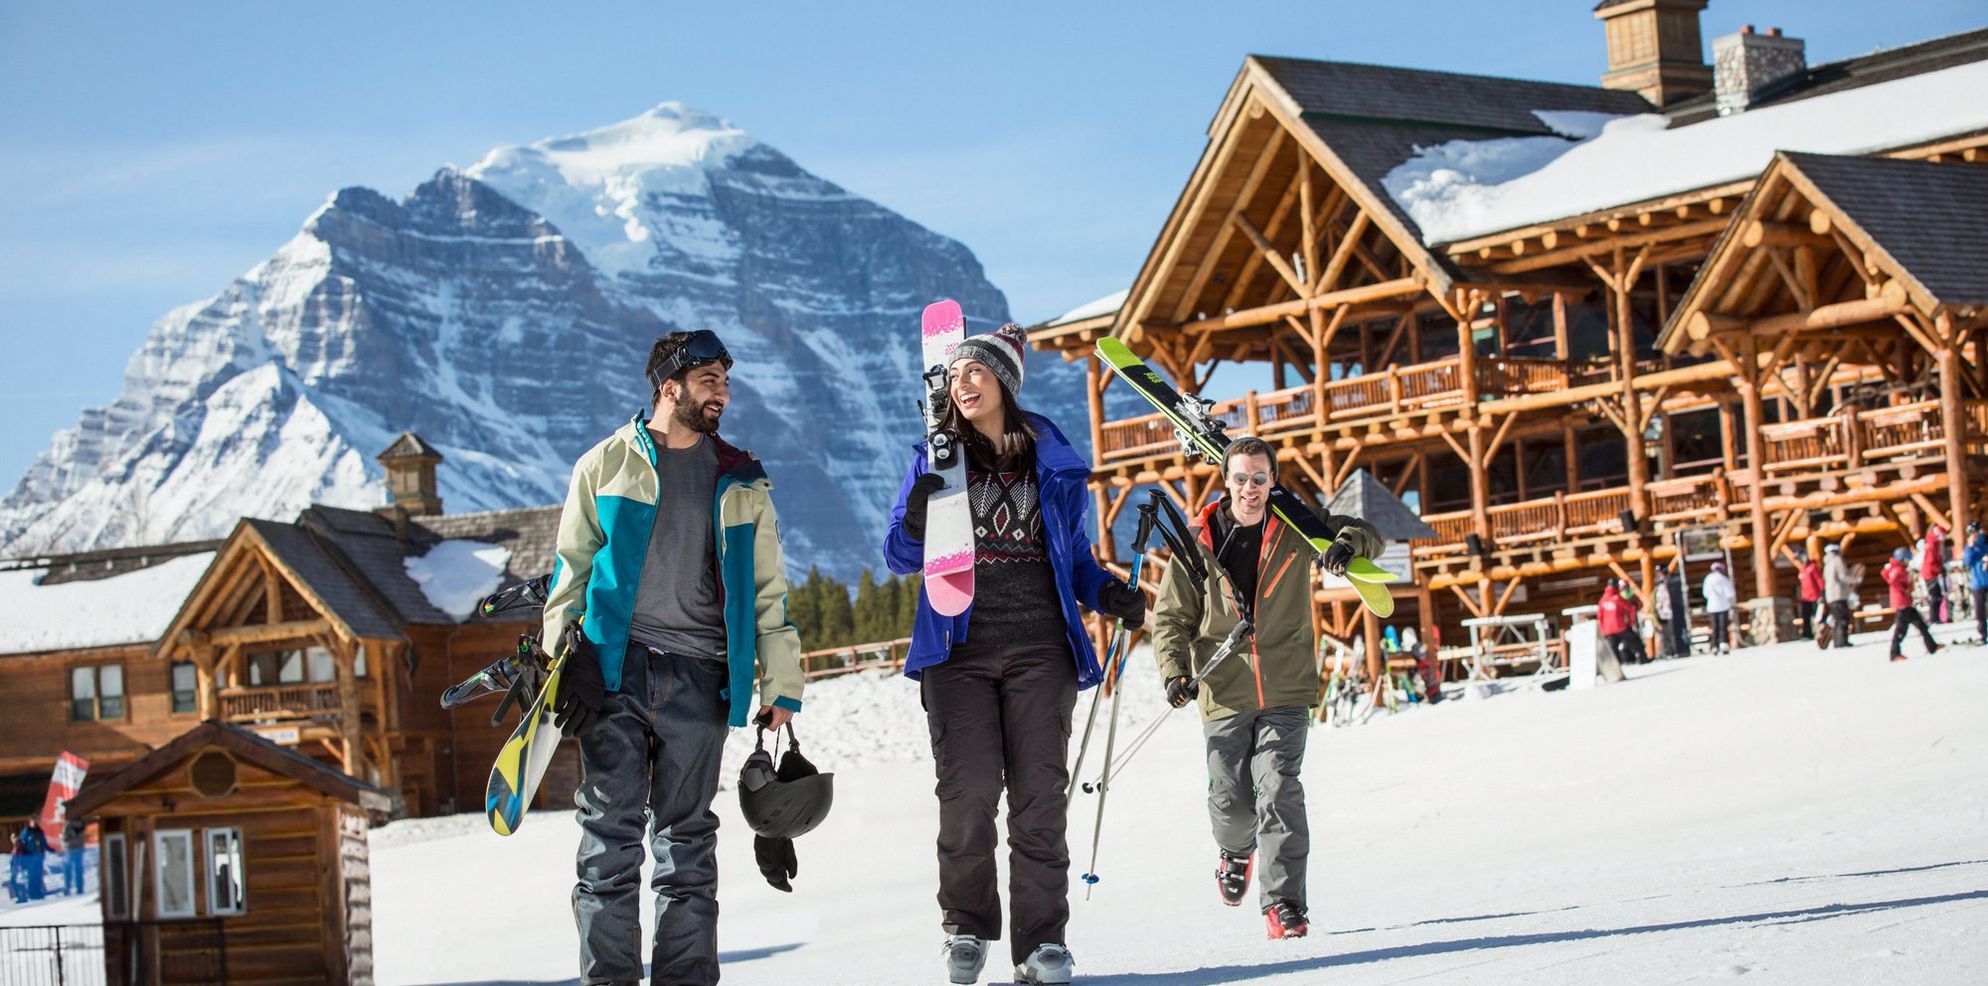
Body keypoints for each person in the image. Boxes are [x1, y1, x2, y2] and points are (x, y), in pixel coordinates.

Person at [540, 329, 807, 986]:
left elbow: (767, 589)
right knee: (609, 844)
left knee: (687, 846)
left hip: (702, 676)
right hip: (613, 672)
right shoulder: (603, 465)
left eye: (725, 380)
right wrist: (558, 661)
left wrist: (783, 682)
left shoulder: (741, 477)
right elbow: (569, 575)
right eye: (709, 380)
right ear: (669, 386)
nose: (722, 392)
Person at [883, 322, 1144, 986]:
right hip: (956, 649)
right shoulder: (936, 457)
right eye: (955, 374)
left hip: (1040, 649)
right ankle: (965, 931)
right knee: (968, 795)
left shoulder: (1050, 462)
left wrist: (1108, 596)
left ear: (1004, 382)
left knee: (1038, 800)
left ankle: (1041, 945)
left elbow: (1077, 559)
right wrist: (917, 510)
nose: (962, 383)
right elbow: (898, 555)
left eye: (976, 371)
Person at [1150, 435, 1385, 942]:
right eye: (1240, 478)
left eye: (1260, 478)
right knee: (1232, 804)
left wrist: (1345, 545)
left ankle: (1284, 905)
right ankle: (1236, 852)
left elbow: (1365, 532)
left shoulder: (1297, 527)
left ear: (1272, 480)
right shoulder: (1199, 541)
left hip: (1286, 686)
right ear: (1225, 480)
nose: (1250, 488)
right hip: (1223, 689)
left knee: (1278, 787)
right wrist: (1173, 672)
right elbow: (1171, 618)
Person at [1881, 548, 1941, 662]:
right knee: (1901, 630)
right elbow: (1892, 581)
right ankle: (1894, 654)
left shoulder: (1901, 569)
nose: (1908, 562)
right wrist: (1904, 590)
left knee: (1921, 625)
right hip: (1902, 604)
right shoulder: (1897, 569)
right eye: (1906, 559)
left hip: (1906, 603)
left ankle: (1932, 646)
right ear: (1902, 559)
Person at [1824, 543, 1858, 650]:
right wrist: (1855, 580)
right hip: (1839, 594)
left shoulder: (1827, 563)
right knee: (1843, 619)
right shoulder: (1837, 560)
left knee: (1837, 619)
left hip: (1830, 595)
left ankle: (1838, 641)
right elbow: (1843, 576)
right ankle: (1842, 641)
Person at [1703, 562, 1736, 654]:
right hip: (1723, 606)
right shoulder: (1724, 579)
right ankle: (1723, 643)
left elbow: (1705, 593)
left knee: (1715, 626)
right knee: (1723, 626)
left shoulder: (1708, 579)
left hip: (1712, 607)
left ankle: (1714, 645)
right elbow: (1730, 594)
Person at [1965, 526, 1988, 645]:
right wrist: (1970, 547)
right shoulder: (1970, 547)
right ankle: (1983, 634)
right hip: (1978, 583)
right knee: (1980, 612)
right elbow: (1967, 562)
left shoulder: (1985, 543)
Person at [1922, 525, 1948, 623]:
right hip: (1930, 574)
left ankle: (1936, 618)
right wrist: (1939, 569)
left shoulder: (1934, 543)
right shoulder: (1933, 544)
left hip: (1931, 573)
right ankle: (1934, 619)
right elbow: (1931, 561)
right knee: (1935, 596)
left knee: (1937, 596)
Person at [1797, 552, 1824, 640]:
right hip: (1805, 598)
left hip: (1814, 597)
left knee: (1817, 617)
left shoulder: (1813, 567)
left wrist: (1822, 592)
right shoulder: (1802, 570)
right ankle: (1807, 634)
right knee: (1806, 617)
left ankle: (1822, 633)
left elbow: (1819, 580)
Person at [62, 819, 85, 896]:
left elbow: (64, 838)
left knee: (68, 870)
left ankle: (67, 888)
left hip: (70, 849)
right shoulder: (82, 824)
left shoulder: (68, 825)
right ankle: (80, 889)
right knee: (78, 870)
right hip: (79, 848)